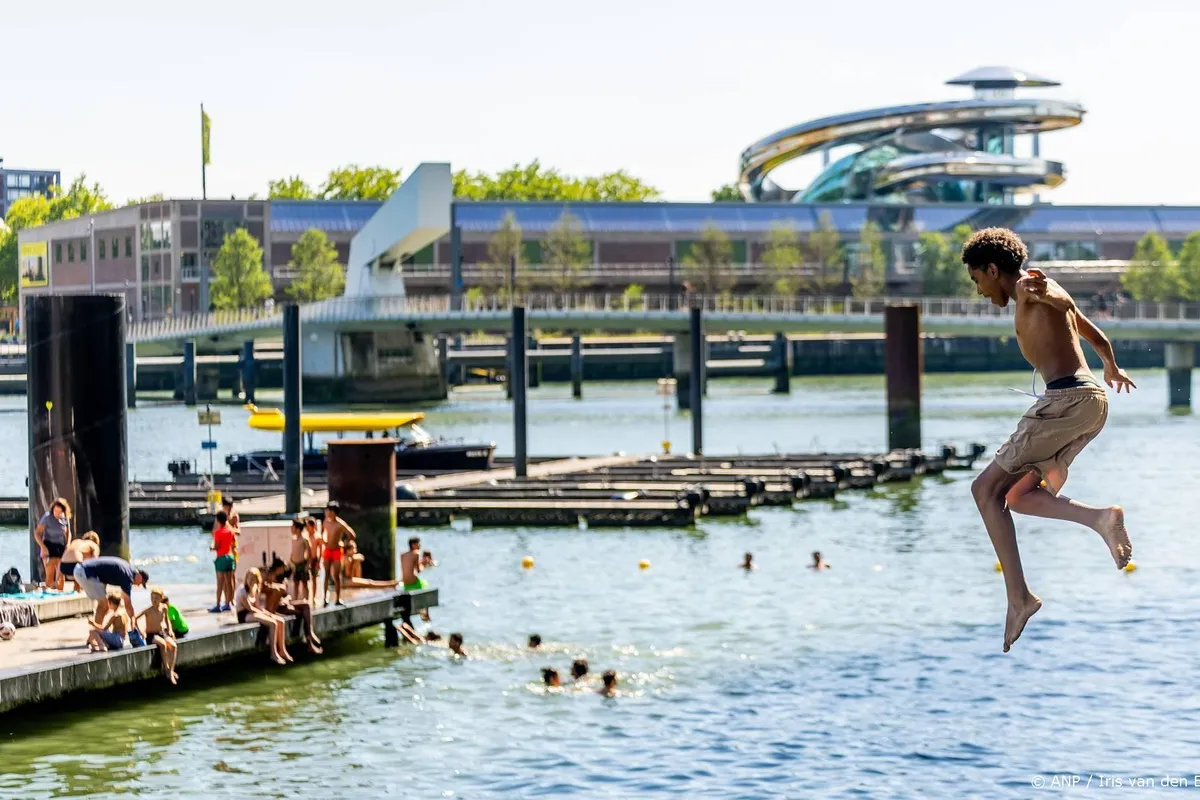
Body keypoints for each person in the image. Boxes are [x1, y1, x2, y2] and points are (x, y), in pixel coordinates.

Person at [963, 227, 1135, 653]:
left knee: (984, 490)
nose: (980, 291)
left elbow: (1064, 302)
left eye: (977, 280)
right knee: (1018, 497)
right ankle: (1100, 518)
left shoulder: (1028, 286)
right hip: (1089, 402)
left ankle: (1018, 597)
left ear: (991, 269)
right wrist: (1110, 366)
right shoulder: (1032, 290)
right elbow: (1090, 329)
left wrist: (1041, 291)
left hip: (1067, 400)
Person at [263, 559, 323, 655]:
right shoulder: (269, 577)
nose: (284, 570)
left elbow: (287, 595)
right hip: (277, 606)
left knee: (306, 605)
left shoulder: (283, 579)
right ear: (278, 568)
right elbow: (265, 592)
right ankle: (309, 643)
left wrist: (286, 599)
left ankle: (310, 633)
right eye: (282, 568)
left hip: (284, 603)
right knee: (301, 613)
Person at [233, 568, 292, 665]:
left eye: (253, 579)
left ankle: (282, 650)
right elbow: (250, 608)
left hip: (253, 612)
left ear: (257, 580)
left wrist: (267, 613)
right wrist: (266, 614)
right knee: (273, 623)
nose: (251, 581)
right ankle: (273, 653)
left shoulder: (255, 588)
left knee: (280, 621)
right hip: (244, 614)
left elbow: (257, 607)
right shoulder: (242, 591)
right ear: (246, 579)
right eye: (249, 578)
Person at [74, 557, 149, 624]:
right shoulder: (128, 576)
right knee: (104, 606)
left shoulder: (127, 567)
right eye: (141, 583)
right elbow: (128, 604)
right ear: (139, 575)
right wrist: (133, 620)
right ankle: (96, 633)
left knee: (103, 605)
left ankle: (97, 630)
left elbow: (104, 577)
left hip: (80, 568)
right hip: (85, 573)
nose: (138, 585)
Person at [135, 587, 179, 684]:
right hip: (151, 635)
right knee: (163, 644)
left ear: (161, 598)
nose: (154, 600)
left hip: (162, 633)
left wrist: (170, 630)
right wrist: (141, 632)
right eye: (152, 598)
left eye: (156, 598)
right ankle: (168, 671)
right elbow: (135, 619)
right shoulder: (148, 611)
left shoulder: (164, 608)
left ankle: (171, 670)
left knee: (173, 646)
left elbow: (167, 619)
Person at [322, 502, 356, 606]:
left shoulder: (340, 524)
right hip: (328, 550)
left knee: (336, 575)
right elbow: (323, 532)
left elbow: (352, 534)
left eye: (329, 511)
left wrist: (344, 544)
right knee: (326, 574)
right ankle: (325, 598)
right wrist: (324, 540)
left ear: (333, 512)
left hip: (336, 550)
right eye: (327, 510)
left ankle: (337, 598)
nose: (327, 512)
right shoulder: (325, 522)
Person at [33, 498, 71, 590]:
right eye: (55, 510)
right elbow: (37, 533)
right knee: (50, 572)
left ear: (63, 511)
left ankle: (60, 592)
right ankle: (48, 592)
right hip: (48, 545)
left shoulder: (65, 518)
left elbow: (68, 533)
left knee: (61, 572)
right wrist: (42, 546)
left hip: (60, 546)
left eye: (59, 511)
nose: (56, 513)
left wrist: (68, 544)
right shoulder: (47, 517)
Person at [210, 510, 236, 613]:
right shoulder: (230, 531)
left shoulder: (218, 533)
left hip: (221, 558)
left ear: (218, 520)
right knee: (229, 582)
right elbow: (233, 542)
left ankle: (217, 605)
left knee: (220, 582)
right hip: (230, 557)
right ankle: (228, 603)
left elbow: (217, 547)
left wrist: (211, 548)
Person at [287, 518, 313, 604]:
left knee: (305, 584)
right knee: (296, 584)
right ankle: (296, 601)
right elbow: (293, 551)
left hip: (302, 564)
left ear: (298, 529)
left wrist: (308, 564)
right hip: (295, 564)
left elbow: (309, 553)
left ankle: (307, 601)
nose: (291, 529)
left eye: (293, 527)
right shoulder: (293, 539)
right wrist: (290, 561)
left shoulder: (304, 539)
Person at [304, 516, 323, 607]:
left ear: (312, 526)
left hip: (314, 560)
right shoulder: (306, 536)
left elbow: (320, 550)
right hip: (307, 560)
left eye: (308, 526)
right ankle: (307, 598)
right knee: (306, 580)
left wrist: (319, 562)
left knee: (314, 579)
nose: (307, 528)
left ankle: (314, 597)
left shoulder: (317, 537)